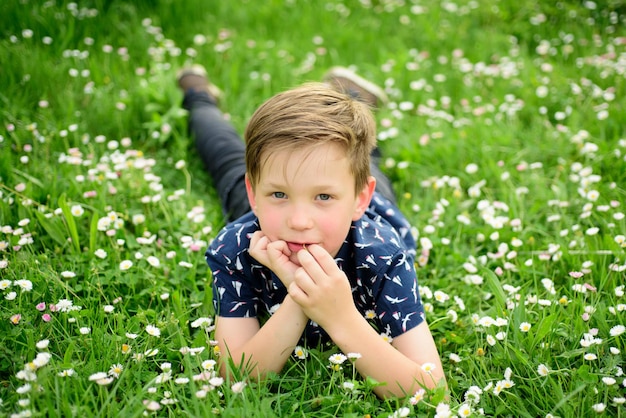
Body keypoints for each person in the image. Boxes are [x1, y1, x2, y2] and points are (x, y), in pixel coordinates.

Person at [178, 65, 447, 398]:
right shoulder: (236, 248)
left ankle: (351, 97)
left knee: (361, 158)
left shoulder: (382, 254)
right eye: (279, 195)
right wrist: (299, 298)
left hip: (367, 214)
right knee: (222, 152)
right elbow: (237, 379)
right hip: (262, 217)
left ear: (359, 200)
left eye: (323, 197)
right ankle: (198, 95)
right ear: (255, 194)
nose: (299, 221)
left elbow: (432, 392)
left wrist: (340, 316)